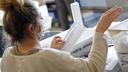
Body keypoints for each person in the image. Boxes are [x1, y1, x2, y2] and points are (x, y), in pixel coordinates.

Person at [0, 0, 122, 72]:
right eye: (39, 17)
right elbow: (93, 68)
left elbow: (33, 63)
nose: (42, 19)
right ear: (31, 28)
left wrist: (52, 50)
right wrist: (100, 31)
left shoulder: (7, 55)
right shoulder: (49, 57)